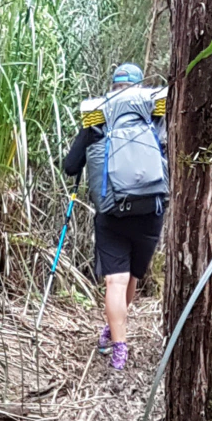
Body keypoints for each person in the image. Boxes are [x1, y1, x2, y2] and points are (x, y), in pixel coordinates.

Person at [62, 63, 168, 372]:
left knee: (115, 280)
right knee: (132, 276)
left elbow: (70, 166)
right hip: (151, 211)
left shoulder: (97, 122)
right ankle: (114, 327)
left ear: (113, 89)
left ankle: (119, 348)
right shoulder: (156, 117)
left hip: (111, 212)